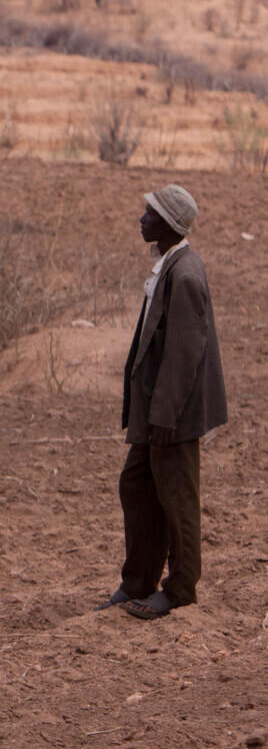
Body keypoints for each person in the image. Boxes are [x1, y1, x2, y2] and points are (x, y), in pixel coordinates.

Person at [98, 185, 227, 620]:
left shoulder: (184, 275)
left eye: (149, 212)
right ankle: (138, 581)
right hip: (159, 409)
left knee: (177, 498)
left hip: (174, 412)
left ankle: (180, 590)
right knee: (138, 485)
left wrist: (165, 417)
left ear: (168, 223)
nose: (142, 219)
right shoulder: (171, 265)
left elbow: (183, 354)